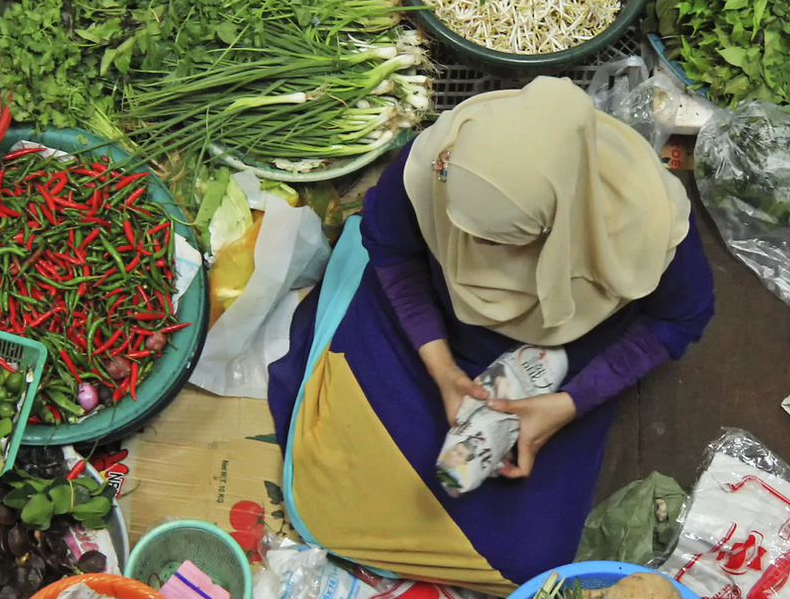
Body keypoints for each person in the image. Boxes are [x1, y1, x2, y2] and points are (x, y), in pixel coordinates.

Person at [265, 77, 715, 594]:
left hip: (554, 366)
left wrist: (567, 407)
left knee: (526, 561)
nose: (469, 251)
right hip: (429, 332)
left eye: (496, 242)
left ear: (564, 228)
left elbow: (678, 320)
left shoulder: (645, 227)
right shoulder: (446, 164)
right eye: (460, 231)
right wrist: (443, 371)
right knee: (330, 484)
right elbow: (393, 252)